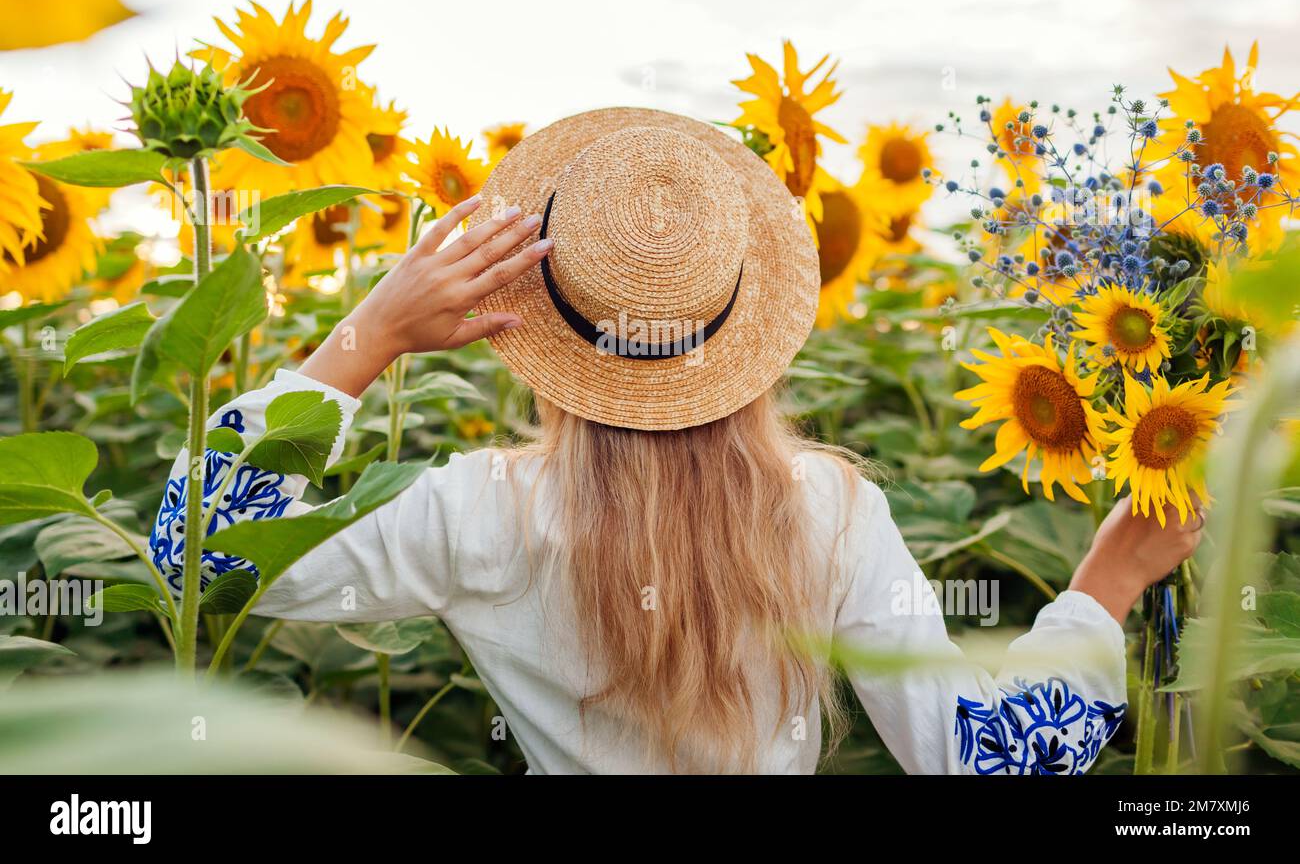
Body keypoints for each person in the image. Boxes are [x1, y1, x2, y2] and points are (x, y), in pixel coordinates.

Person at [152, 108, 1200, 774]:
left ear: (538, 320)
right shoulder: (829, 514)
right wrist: (1104, 585)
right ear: (748, 322)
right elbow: (992, 761)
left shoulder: (478, 511)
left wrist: (365, 335)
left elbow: (201, 562)